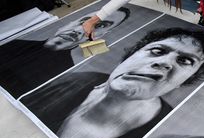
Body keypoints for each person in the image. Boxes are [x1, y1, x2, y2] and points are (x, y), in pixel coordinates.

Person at [22, 27, 204, 138]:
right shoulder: (77, 79)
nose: (164, 62)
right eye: (158, 51)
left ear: (184, 81)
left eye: (185, 61)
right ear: (130, 56)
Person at [0, 7, 129, 98]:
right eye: (84, 21)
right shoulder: (12, 45)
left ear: (104, 34)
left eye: (101, 26)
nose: (80, 30)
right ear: (70, 21)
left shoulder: (63, 77)